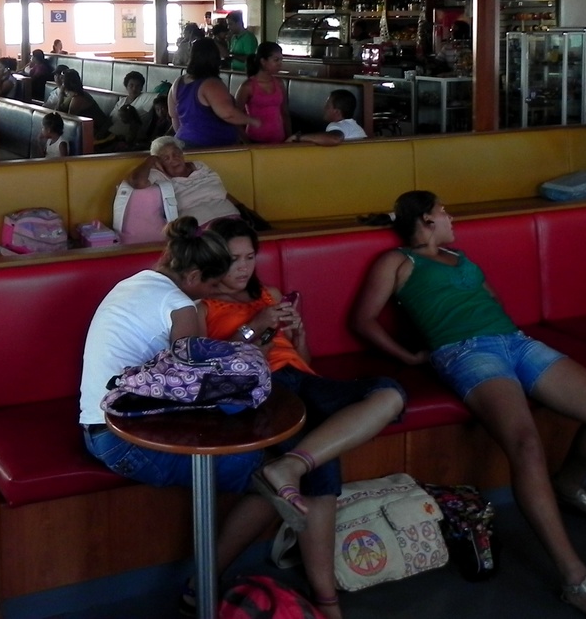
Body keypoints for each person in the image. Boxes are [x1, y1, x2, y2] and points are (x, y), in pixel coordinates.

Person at [353, 191, 586, 619]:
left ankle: (568, 483)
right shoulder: (397, 261)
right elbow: (362, 319)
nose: (451, 217)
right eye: (444, 211)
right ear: (426, 220)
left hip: (515, 342)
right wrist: (410, 357)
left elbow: (491, 302)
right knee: (526, 445)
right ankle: (576, 580)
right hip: (464, 352)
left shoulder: (461, 257)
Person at [199, 216, 406, 615]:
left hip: (302, 381)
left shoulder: (270, 294)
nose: (243, 268)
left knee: (389, 392)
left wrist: (299, 335)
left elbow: (302, 361)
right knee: (322, 469)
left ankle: (289, 466)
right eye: (232, 259)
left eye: (249, 257)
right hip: (260, 389)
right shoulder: (201, 305)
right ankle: (327, 602)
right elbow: (213, 366)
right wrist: (254, 327)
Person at [78, 218, 273, 616]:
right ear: (195, 276)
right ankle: (202, 585)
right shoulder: (180, 306)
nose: (213, 295)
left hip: (98, 427)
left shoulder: (133, 282)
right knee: (271, 478)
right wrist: (253, 339)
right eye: (213, 286)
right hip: (124, 442)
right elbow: (201, 382)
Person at [126, 136, 239, 225]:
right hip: (200, 228)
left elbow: (223, 192)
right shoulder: (160, 176)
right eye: (166, 158)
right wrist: (150, 160)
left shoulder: (199, 166)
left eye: (176, 153)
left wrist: (243, 208)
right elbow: (138, 182)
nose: (174, 159)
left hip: (232, 218)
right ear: (158, 162)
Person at [169, 39, 259, 148]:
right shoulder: (211, 84)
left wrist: (186, 136)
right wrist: (253, 121)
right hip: (210, 146)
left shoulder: (178, 83)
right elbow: (228, 114)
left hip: (184, 141)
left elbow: (174, 116)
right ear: (215, 57)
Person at [235, 42, 290, 144]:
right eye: (276, 60)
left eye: (281, 60)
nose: (280, 63)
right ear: (263, 61)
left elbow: (285, 113)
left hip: (279, 139)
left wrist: (289, 138)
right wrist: (246, 142)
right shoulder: (248, 86)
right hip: (255, 140)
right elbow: (235, 116)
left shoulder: (279, 83)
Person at [58, 71, 114, 147]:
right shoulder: (72, 96)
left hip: (99, 133)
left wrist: (60, 95)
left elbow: (69, 121)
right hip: (88, 130)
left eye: (63, 81)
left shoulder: (79, 98)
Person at [289, 91, 365, 146]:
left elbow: (335, 139)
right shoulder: (355, 127)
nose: (324, 108)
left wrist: (298, 138)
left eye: (327, 106)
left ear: (337, 112)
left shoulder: (337, 125)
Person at [110, 71, 158, 143]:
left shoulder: (145, 98)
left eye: (138, 86)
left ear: (141, 88)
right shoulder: (121, 101)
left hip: (132, 139)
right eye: (131, 85)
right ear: (126, 87)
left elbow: (161, 97)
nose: (134, 89)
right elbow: (111, 117)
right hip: (112, 134)